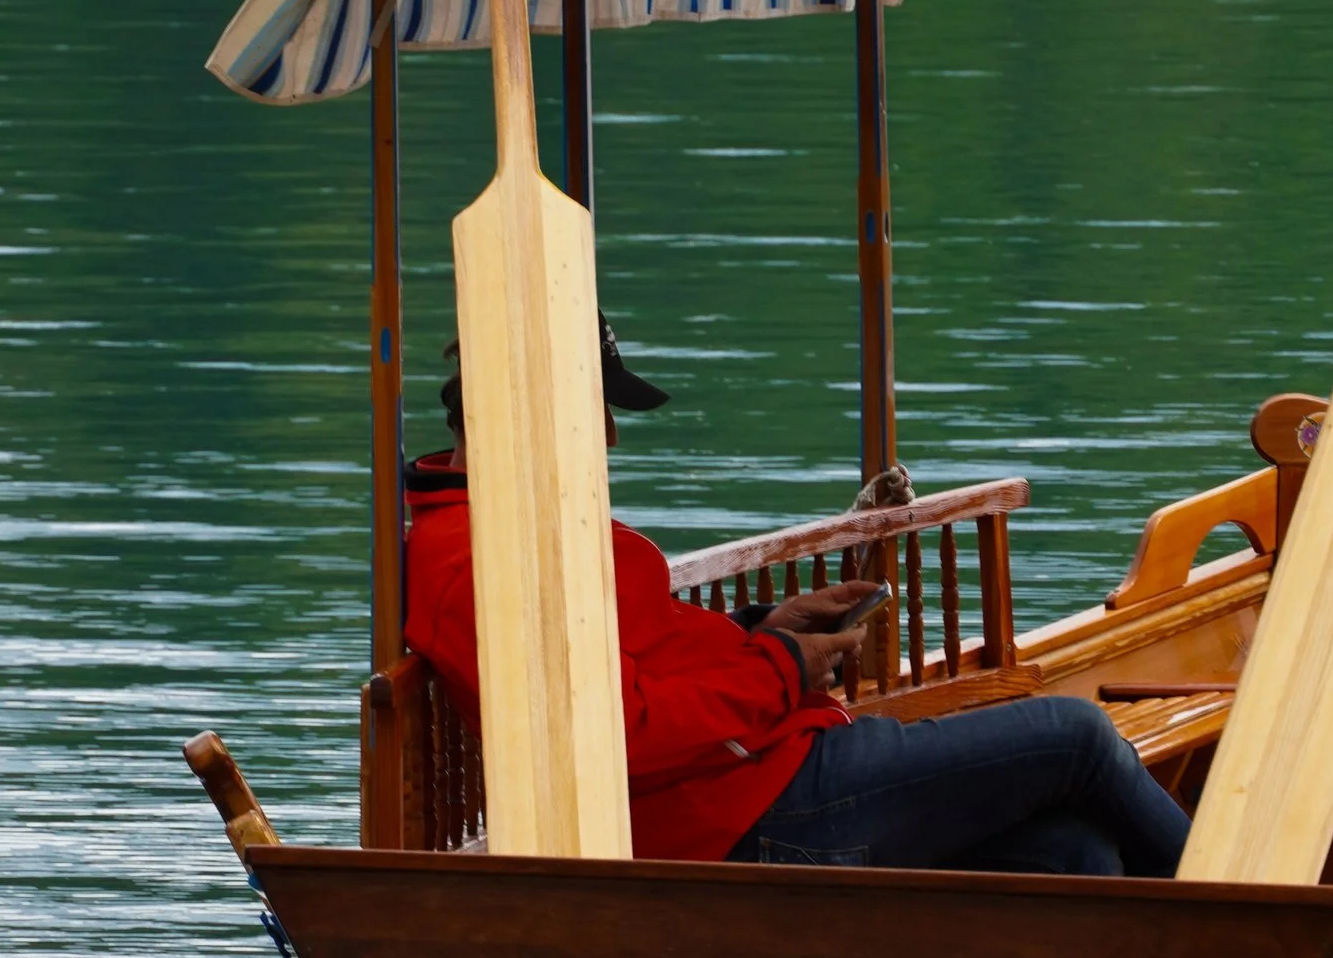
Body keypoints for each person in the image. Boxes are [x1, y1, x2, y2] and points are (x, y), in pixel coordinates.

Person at [402, 333, 1188, 879]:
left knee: (1074, 852)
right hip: (742, 817)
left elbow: (635, 659)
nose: (608, 435)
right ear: (528, 409)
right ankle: (1278, 933)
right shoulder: (480, 564)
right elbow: (620, 736)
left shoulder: (515, 527)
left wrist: (761, 631)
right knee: (1075, 737)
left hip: (760, 779)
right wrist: (780, 668)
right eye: (594, 406)